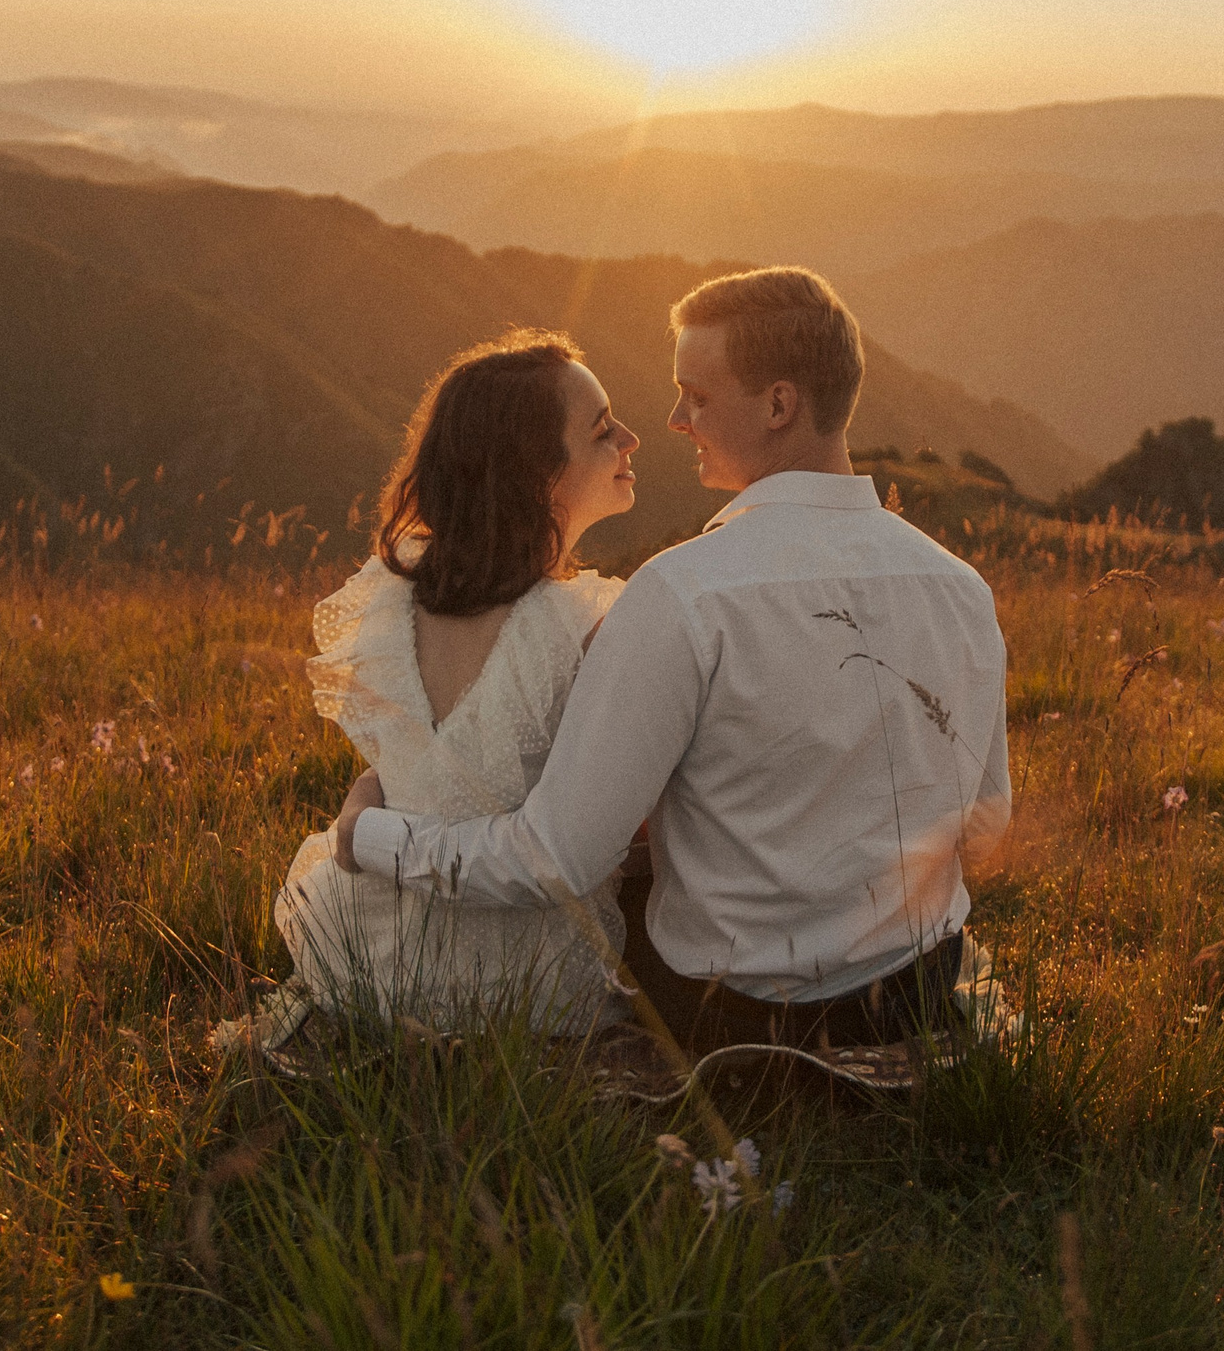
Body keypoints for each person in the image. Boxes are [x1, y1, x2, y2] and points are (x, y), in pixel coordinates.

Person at [337, 267, 1011, 1053]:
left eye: (695, 395)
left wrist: (369, 836)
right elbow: (988, 827)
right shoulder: (962, 588)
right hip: (917, 991)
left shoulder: (683, 594)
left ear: (780, 405)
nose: (674, 419)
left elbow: (553, 859)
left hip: (737, 1015)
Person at [273, 330, 643, 1031]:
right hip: (526, 978)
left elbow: (408, 766)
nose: (629, 437)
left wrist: (367, 802)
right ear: (538, 473)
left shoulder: (390, 597)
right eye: (601, 431)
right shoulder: (588, 626)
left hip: (376, 951)